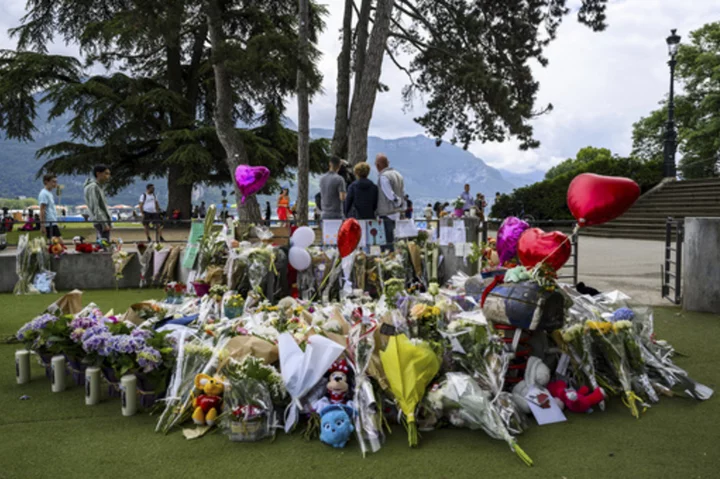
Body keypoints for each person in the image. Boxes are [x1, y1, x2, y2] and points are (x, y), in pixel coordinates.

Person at [375, 153, 405, 251]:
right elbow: (402, 192)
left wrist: (397, 201)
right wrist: (401, 204)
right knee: (394, 240)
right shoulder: (398, 174)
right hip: (397, 213)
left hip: (386, 212)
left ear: (378, 165)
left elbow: (389, 194)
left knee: (386, 242)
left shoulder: (383, 176)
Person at [84, 164, 113, 241]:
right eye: (106, 173)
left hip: (102, 220)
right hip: (101, 221)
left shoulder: (99, 187)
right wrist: (104, 223)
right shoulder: (94, 187)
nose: (108, 176)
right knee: (103, 244)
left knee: (103, 243)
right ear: (98, 174)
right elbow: (95, 207)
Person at [38, 173, 61, 239]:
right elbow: (42, 210)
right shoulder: (44, 194)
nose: (55, 184)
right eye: (53, 182)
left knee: (56, 244)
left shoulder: (49, 193)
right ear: (46, 182)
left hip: (53, 221)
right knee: (57, 244)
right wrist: (42, 225)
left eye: (56, 182)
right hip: (49, 223)